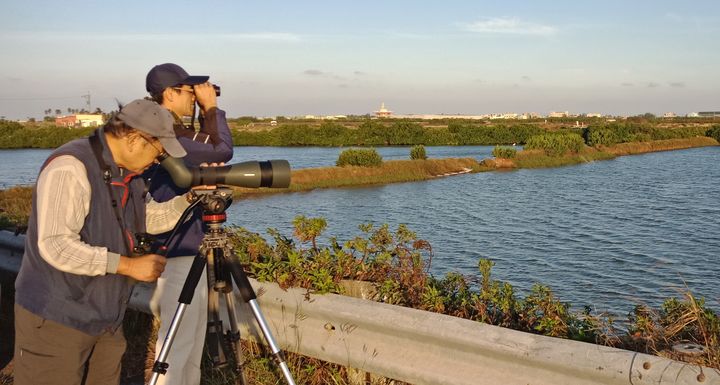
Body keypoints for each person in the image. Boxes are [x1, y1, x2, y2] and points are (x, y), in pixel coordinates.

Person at [13, 99, 194, 385]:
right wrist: (127, 266)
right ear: (135, 139)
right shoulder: (71, 167)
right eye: (159, 151)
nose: (158, 159)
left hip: (106, 317)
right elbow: (55, 245)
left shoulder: (129, 174)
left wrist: (190, 199)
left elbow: (147, 219)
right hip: (56, 317)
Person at [144, 63, 233, 385]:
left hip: (186, 247)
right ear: (168, 94)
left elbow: (209, 149)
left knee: (191, 345)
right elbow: (221, 150)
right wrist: (212, 108)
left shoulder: (173, 130)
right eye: (188, 92)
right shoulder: (163, 132)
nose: (193, 98)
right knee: (177, 346)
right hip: (175, 249)